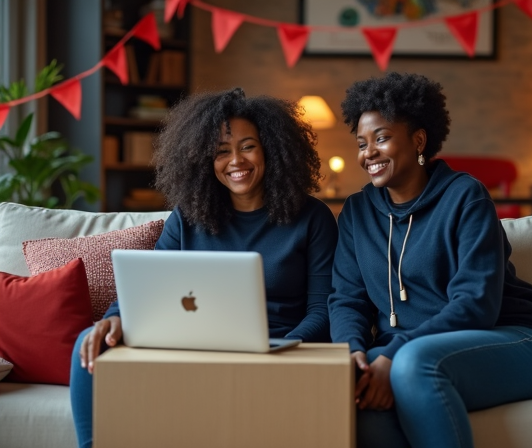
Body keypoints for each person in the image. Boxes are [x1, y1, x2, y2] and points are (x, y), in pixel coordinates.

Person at [70, 88, 339, 448]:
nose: (235, 161)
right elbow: (150, 284)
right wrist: (116, 316)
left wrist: (283, 349)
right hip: (192, 348)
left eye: (248, 146)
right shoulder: (188, 217)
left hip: (279, 352)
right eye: (221, 151)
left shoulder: (313, 218)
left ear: (272, 149)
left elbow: (323, 309)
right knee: (87, 344)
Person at [328, 72, 532, 448]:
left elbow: (476, 304)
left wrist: (393, 352)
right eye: (361, 143)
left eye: (382, 138)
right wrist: (353, 353)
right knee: (354, 394)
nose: (367, 153)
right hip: (409, 353)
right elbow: (346, 298)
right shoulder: (357, 213)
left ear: (419, 140)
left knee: (414, 364)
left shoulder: (465, 197)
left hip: (514, 340)